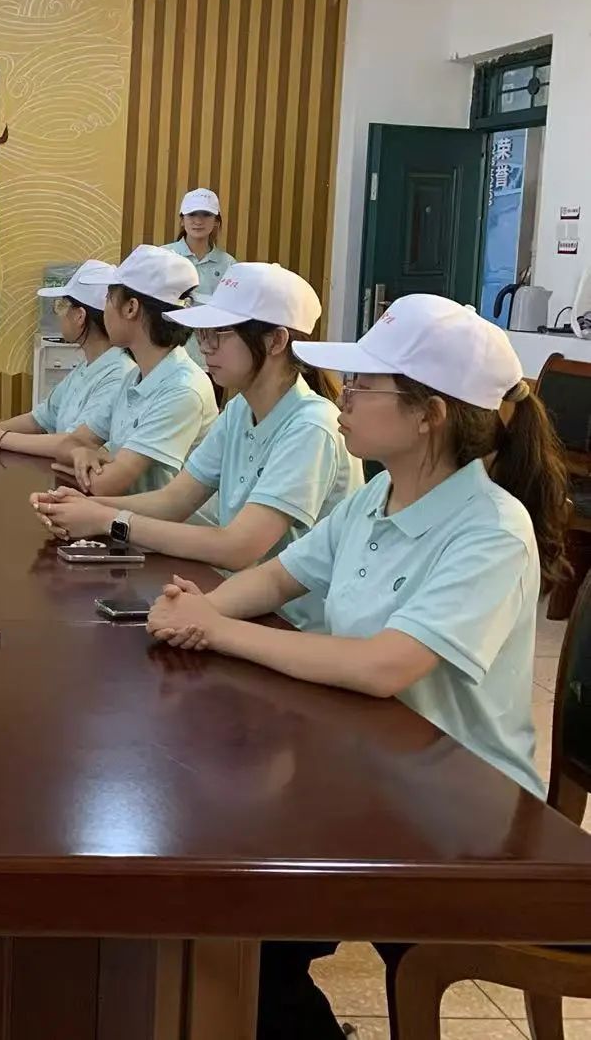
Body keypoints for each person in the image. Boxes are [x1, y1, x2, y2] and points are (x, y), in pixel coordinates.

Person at [146, 293, 570, 1040]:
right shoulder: (379, 493)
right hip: (375, 772)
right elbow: (280, 576)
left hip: (455, 815)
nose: (343, 396)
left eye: (365, 386)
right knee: (220, 888)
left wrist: (218, 631)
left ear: (429, 414)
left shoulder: (491, 530)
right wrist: (201, 608)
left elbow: (383, 666)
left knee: (237, 928)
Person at [32, 263, 362, 625]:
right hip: (234, 602)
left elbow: (237, 547)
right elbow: (173, 500)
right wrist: (83, 506)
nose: (204, 346)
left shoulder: (311, 427)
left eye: (218, 334)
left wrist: (107, 519)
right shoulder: (240, 409)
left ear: (276, 341)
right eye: (202, 334)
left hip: (291, 626)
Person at [60, 245, 217, 496]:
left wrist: (83, 457)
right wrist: (81, 453)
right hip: (119, 511)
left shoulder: (183, 389)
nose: (104, 310)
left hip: (150, 519)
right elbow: (75, 442)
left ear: (131, 308)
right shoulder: (136, 375)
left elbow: (108, 483)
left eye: (108, 299)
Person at [0, 260, 135, 459]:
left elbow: (75, 443)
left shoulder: (119, 375)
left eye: (61, 306)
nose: (59, 315)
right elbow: (41, 418)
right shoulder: (87, 367)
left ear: (80, 316)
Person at [167, 189, 237, 368]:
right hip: (168, 358)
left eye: (206, 214)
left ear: (216, 221)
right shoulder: (164, 256)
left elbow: (231, 316)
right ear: (182, 220)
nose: (198, 221)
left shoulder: (229, 265)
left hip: (211, 361)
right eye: (192, 214)